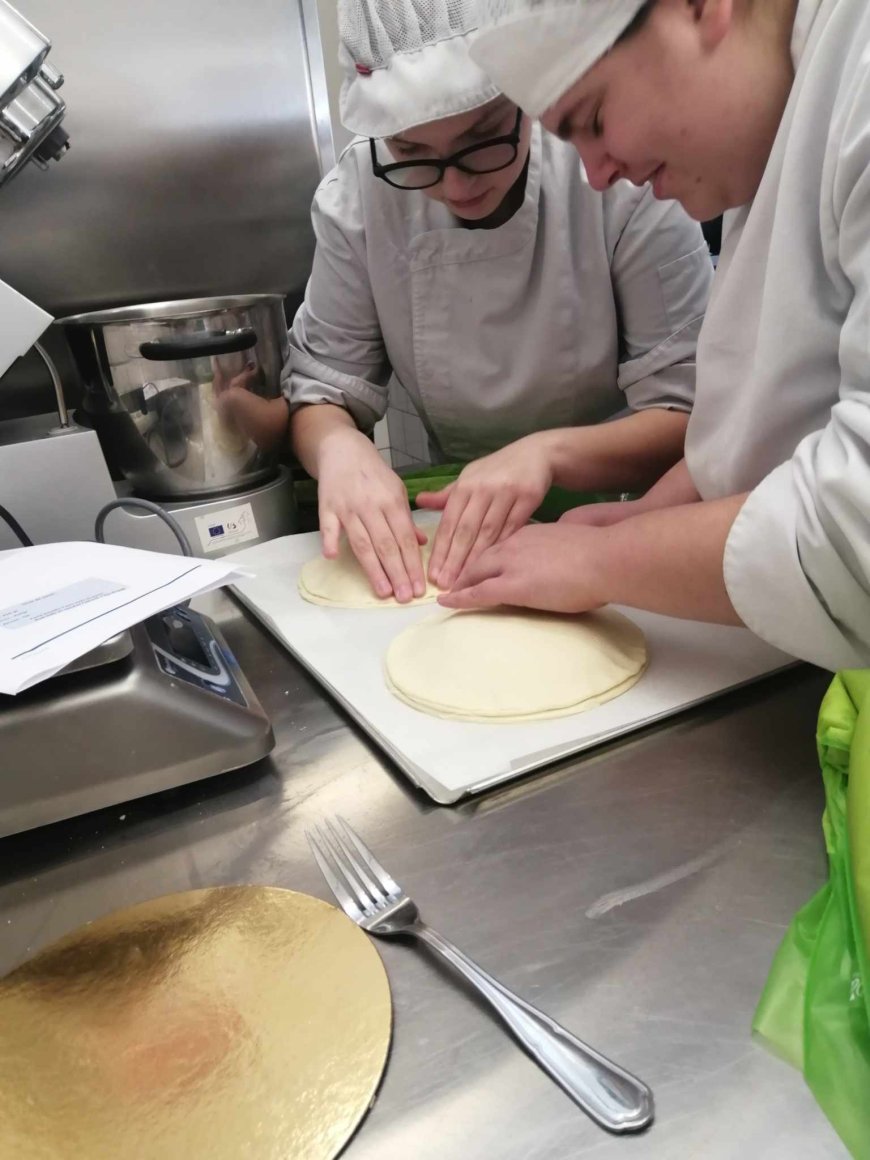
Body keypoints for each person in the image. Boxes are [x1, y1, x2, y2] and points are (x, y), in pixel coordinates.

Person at [442, 0, 870, 672]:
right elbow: (774, 416)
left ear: (702, 8)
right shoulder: (764, 119)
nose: (598, 174)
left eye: (594, 119)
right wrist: (652, 519)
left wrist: (602, 561)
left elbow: (857, 534)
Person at [284, 0, 713, 603]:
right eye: (412, 152)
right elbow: (322, 391)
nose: (456, 184)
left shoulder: (614, 170)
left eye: (483, 138)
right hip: (451, 533)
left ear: (527, 95)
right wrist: (338, 448)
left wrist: (547, 455)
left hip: (627, 521)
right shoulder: (359, 197)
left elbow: (693, 419)